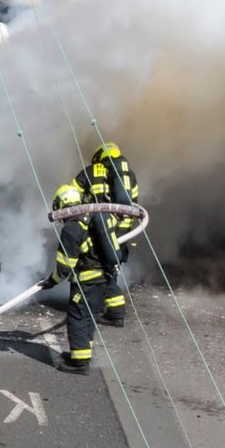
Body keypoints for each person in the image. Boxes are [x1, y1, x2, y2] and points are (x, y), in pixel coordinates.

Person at [40, 182, 120, 374]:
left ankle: (79, 363)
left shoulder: (72, 228)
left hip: (86, 281)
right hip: (103, 280)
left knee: (77, 317)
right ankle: (81, 353)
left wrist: (52, 281)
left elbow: (66, 265)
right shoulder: (92, 218)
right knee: (89, 317)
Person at [74, 141, 139, 327]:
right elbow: (133, 205)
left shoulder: (90, 172)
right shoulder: (129, 176)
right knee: (111, 268)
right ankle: (110, 308)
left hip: (101, 230)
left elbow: (72, 197)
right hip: (123, 232)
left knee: (102, 270)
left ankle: (116, 313)